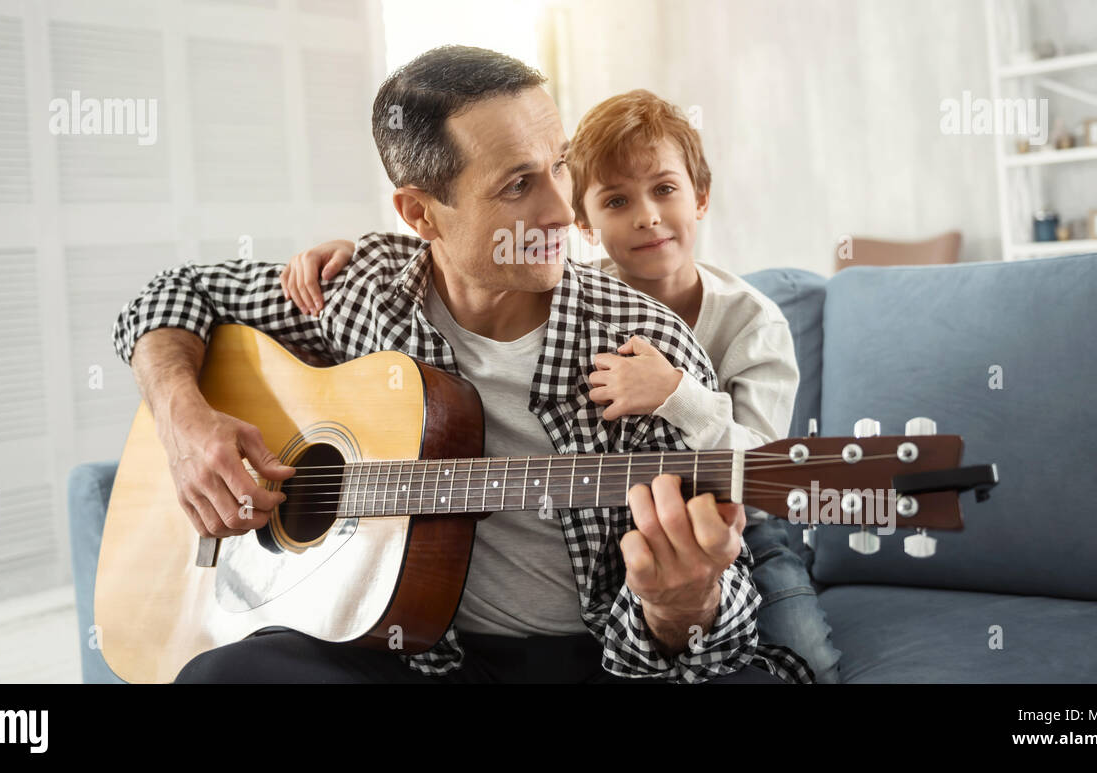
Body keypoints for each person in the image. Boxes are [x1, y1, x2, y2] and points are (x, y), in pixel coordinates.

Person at [111, 45, 812, 684]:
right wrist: (185, 423)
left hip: (585, 656)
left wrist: (676, 608)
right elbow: (176, 294)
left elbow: (719, 614)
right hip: (401, 651)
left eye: (560, 166)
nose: (563, 211)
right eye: (517, 186)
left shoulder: (641, 344)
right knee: (215, 679)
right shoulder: (362, 288)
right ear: (421, 212)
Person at [281, 89, 841, 683]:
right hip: (621, 527)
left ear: (701, 197)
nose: (647, 216)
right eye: (617, 201)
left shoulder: (745, 322)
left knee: (803, 653)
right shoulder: (558, 288)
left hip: (747, 507)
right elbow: (454, 255)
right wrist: (360, 253)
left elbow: (763, 465)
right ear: (587, 224)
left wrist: (674, 391)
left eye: (666, 190)